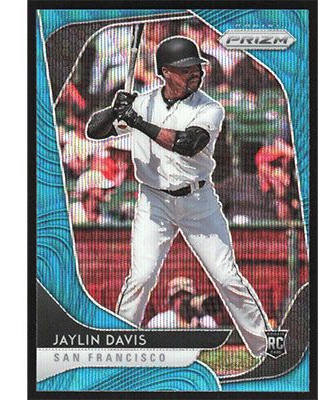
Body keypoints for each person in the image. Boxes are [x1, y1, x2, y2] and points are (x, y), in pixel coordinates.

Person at [86, 36, 271, 358]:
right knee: (141, 278)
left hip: (198, 202)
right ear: (165, 72)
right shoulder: (144, 102)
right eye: (185, 69)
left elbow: (187, 144)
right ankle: (118, 351)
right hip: (154, 202)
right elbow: (94, 131)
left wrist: (136, 122)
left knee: (227, 278)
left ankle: (266, 348)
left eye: (197, 67)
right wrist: (115, 109)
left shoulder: (210, 108)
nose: (195, 72)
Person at [146, 277, 218, 329]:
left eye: (186, 296)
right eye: (178, 297)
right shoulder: (160, 321)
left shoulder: (206, 321)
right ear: (171, 302)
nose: (183, 300)